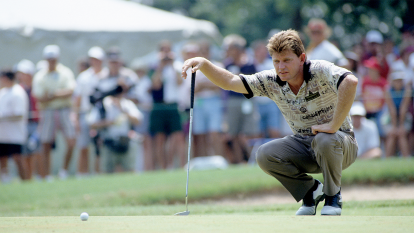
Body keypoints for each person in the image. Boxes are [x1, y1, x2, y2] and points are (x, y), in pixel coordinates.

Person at [182, 29, 359, 216]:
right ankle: (311, 191)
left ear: (302, 58)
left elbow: (351, 81)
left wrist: (333, 125)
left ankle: (333, 197)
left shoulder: (319, 69)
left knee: (324, 139)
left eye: (287, 60)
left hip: (340, 144)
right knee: (265, 154)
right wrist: (204, 64)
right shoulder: (271, 80)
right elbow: (232, 81)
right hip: (305, 145)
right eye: (276, 61)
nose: (281, 66)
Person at [32, 45, 77, 181]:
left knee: (71, 141)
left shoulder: (65, 72)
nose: (52, 61)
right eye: (49, 59)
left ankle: (63, 171)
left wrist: (51, 94)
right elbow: (39, 96)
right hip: (48, 111)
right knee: (45, 143)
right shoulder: (40, 75)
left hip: (64, 109)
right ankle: (46, 175)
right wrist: (58, 94)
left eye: (53, 59)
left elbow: (70, 91)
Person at [222, 34, 259, 164]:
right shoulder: (227, 64)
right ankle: (239, 161)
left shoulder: (250, 63)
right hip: (232, 100)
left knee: (248, 132)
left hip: (247, 100)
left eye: (229, 48)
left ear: (237, 49)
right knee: (234, 133)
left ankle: (253, 159)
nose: (227, 51)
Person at [150, 40, 186, 169]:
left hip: (173, 105)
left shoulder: (176, 66)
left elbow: (180, 82)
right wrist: (161, 66)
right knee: (159, 138)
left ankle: (180, 166)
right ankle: (163, 167)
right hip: (159, 105)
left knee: (177, 137)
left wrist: (171, 64)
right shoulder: (154, 67)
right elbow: (156, 84)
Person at [73, 46, 108, 176]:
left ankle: (98, 172)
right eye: (93, 59)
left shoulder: (107, 75)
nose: (95, 62)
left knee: (100, 146)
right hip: (85, 112)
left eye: (97, 59)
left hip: (102, 114)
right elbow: (77, 98)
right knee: (83, 146)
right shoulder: (84, 77)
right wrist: (75, 117)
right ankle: (82, 173)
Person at [88, 93, 142, 173]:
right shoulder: (102, 104)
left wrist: (122, 109)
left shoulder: (127, 104)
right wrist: (108, 123)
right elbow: (91, 124)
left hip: (125, 142)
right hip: (108, 143)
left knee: (130, 170)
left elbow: (138, 121)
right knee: (107, 172)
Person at [0, 70, 29, 182]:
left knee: (18, 158)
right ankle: (5, 180)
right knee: (2, 158)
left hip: (15, 134)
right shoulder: (3, 92)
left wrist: (3, 117)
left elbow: (19, 114)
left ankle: (25, 181)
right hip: (3, 134)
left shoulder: (18, 92)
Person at [15, 59, 42, 180]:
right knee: (25, 153)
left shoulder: (37, 86)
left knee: (36, 152)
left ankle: (38, 175)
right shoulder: (18, 88)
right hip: (23, 124)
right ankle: (28, 177)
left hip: (36, 123)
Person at [383, 71, 412, 157]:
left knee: (401, 134)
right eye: (396, 80)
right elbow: (392, 110)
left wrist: (401, 126)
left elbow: (404, 109)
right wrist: (395, 127)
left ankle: (406, 158)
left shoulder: (407, 90)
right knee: (392, 134)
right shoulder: (387, 91)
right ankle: (387, 159)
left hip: (404, 117)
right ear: (393, 81)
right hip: (390, 118)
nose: (398, 83)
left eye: (400, 80)